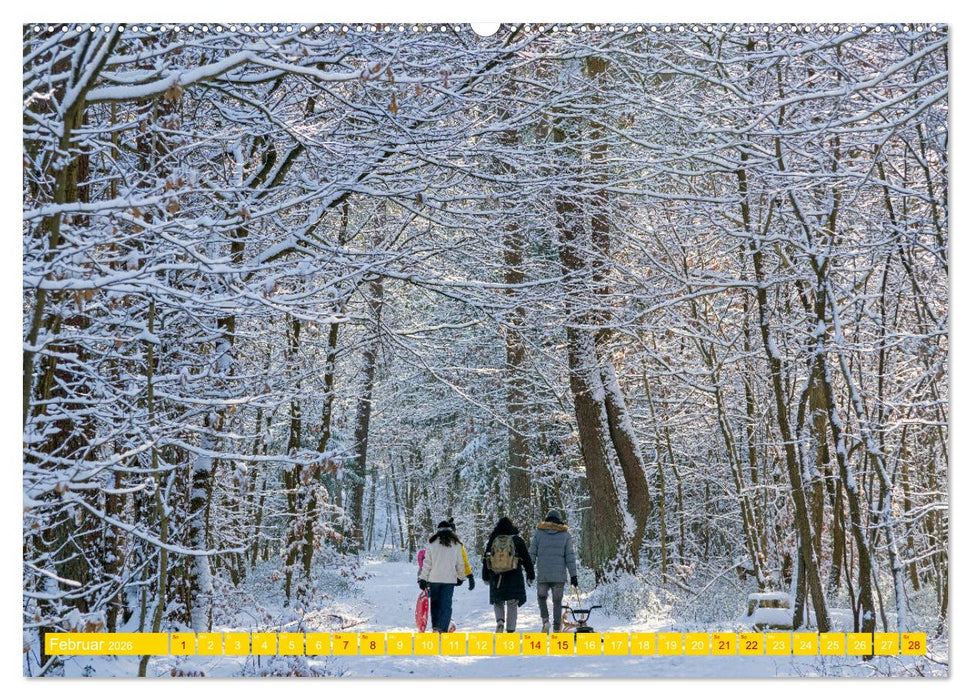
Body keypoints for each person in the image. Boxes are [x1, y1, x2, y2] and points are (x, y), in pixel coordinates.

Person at [529, 509, 578, 633]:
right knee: (557, 602)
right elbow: (570, 557)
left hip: (543, 574)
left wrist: (530, 571)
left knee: (541, 598)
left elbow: (532, 553)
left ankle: (545, 621)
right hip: (559, 576)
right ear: (559, 520)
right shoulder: (565, 535)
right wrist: (573, 576)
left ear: (547, 519)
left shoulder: (539, 533)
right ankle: (556, 627)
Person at [482, 517, 534, 633]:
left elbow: (486, 559)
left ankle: (500, 621)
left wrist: (485, 576)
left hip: (496, 577)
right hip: (514, 577)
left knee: (498, 601)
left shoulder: (493, 540)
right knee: (512, 603)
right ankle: (510, 630)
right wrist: (530, 575)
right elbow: (527, 559)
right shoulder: (517, 540)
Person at [418, 520, 467, 632]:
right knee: (446, 606)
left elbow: (427, 563)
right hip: (449, 580)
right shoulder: (457, 544)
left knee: (435, 605)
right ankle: (443, 630)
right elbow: (460, 563)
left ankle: (435, 628)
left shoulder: (432, 544)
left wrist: (423, 578)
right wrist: (460, 577)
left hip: (434, 579)